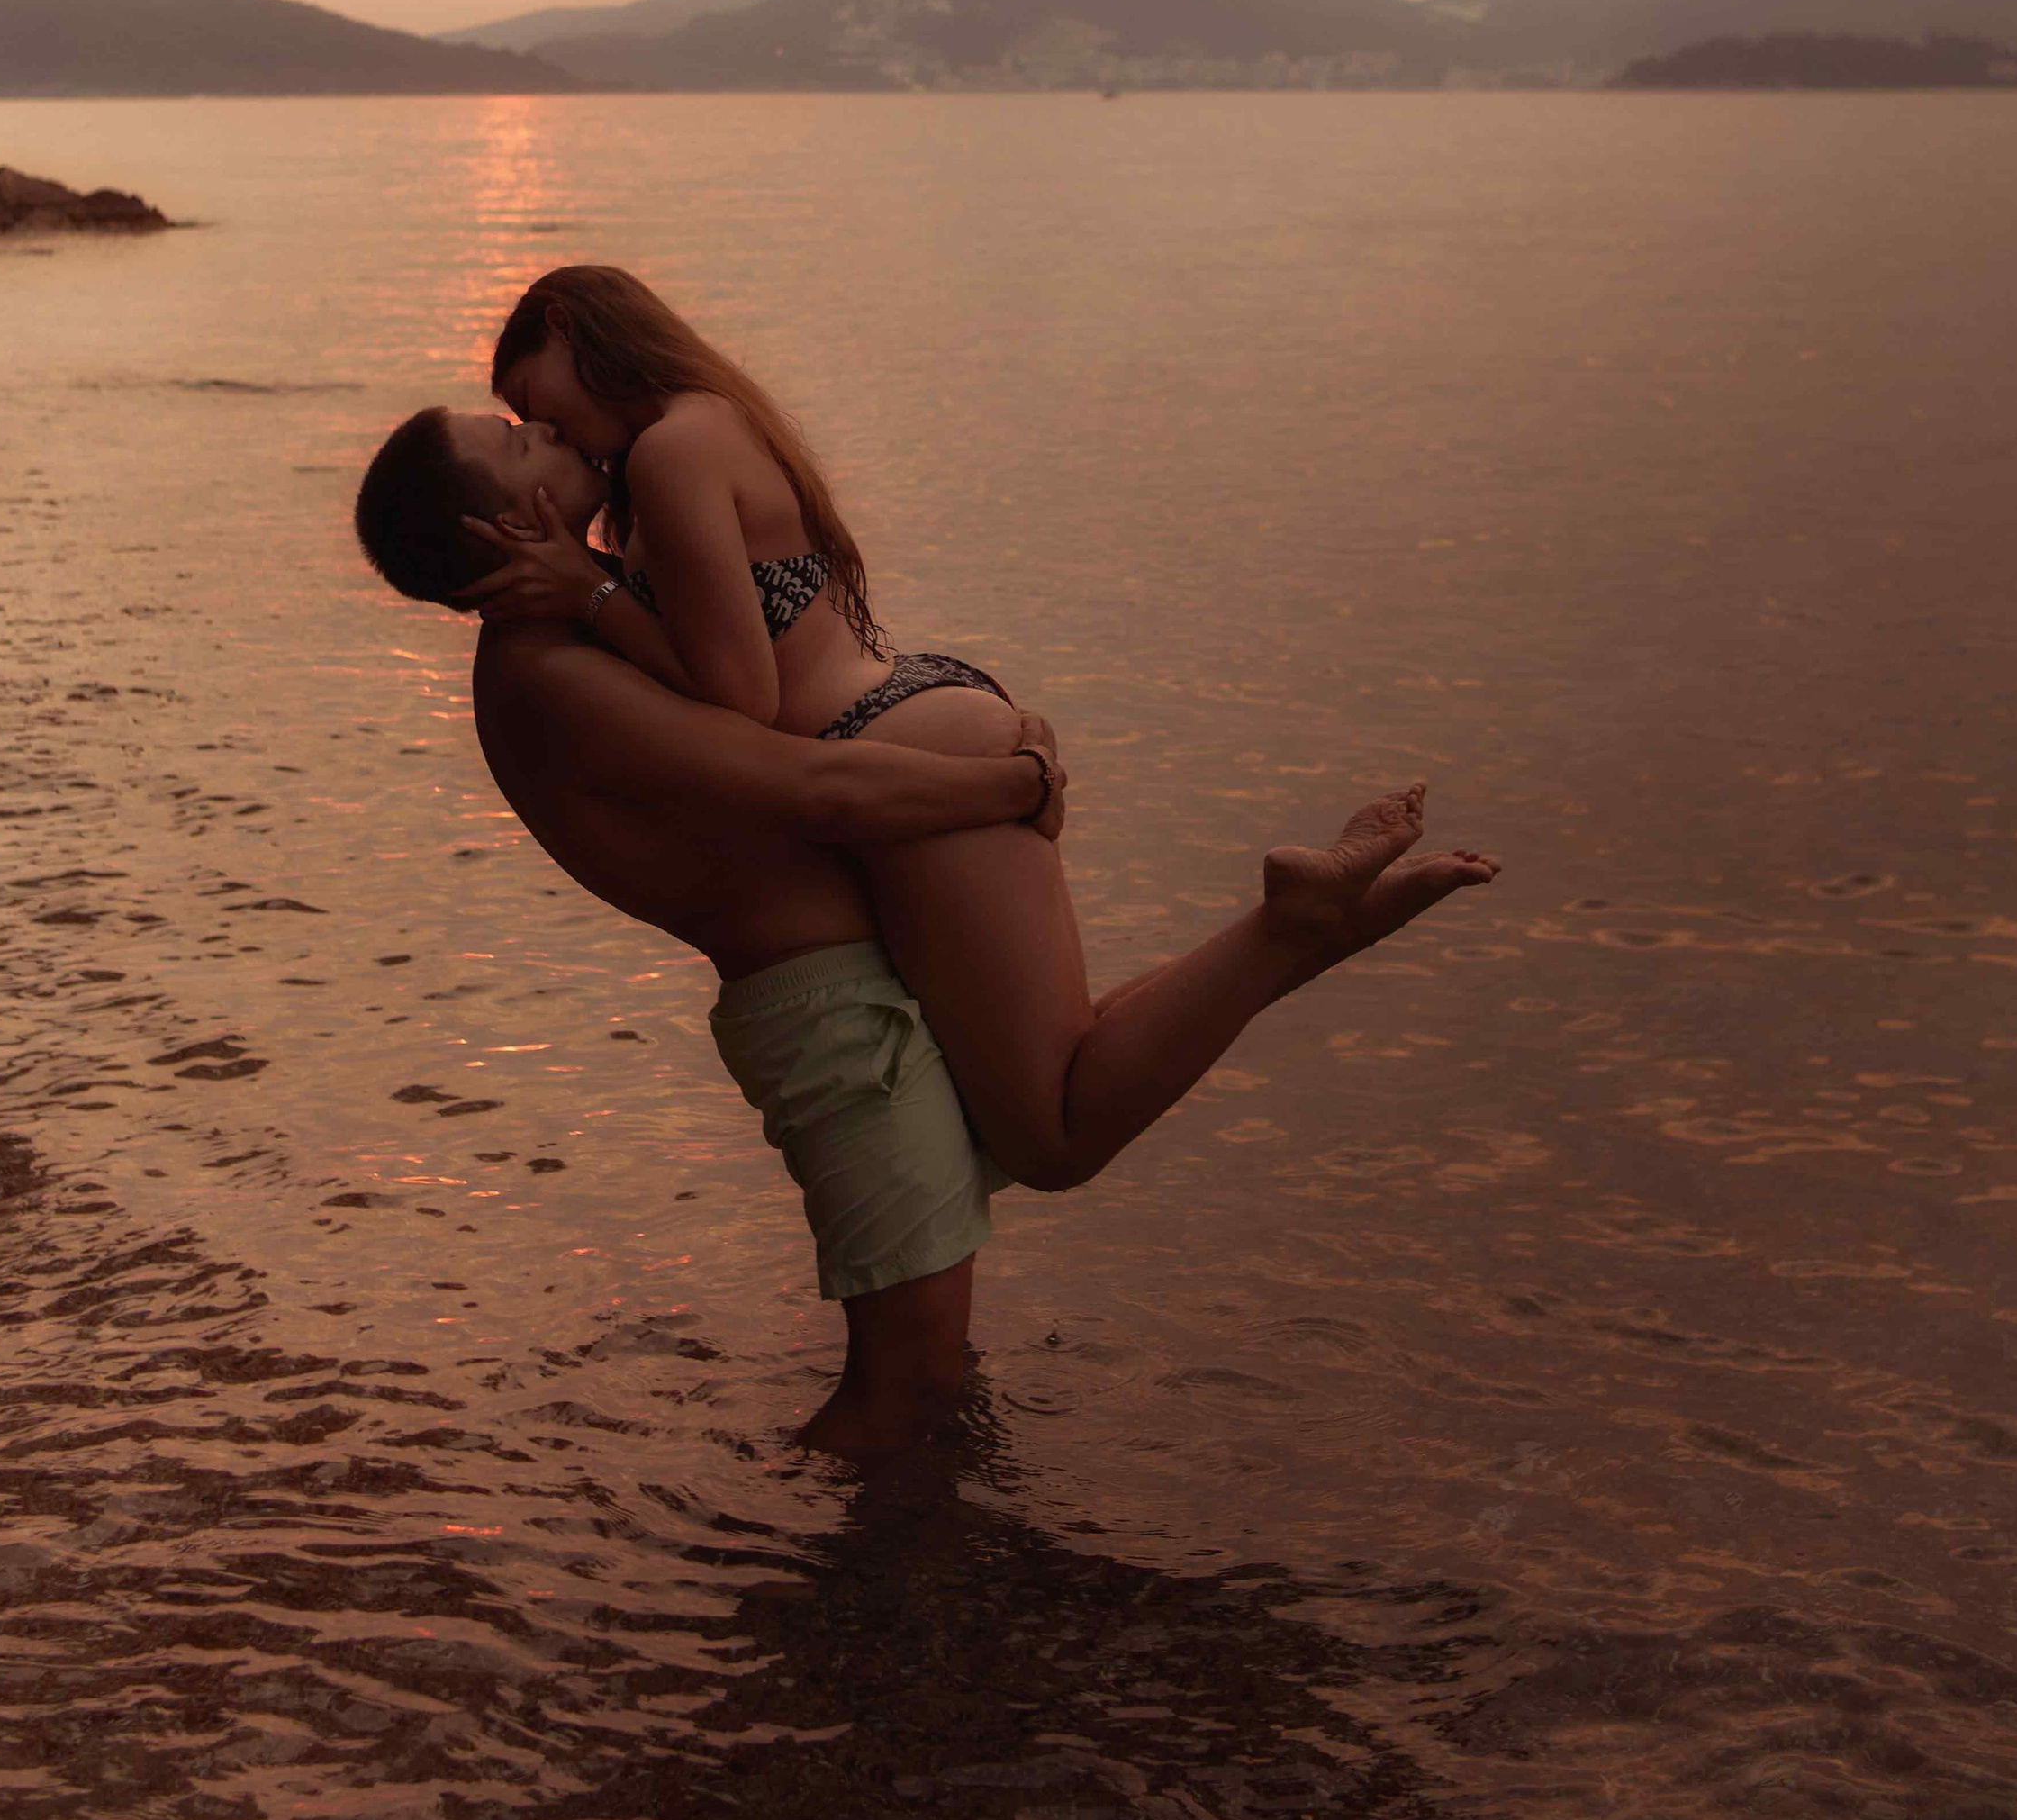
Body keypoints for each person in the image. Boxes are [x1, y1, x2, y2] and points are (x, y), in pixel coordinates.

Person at [455, 264, 1496, 1196]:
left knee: (1052, 1139)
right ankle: (1316, 922)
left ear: (572, 332)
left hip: (894, 745)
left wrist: (590, 594)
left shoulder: (668, 455)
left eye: (528, 400)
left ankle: (1292, 925)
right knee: (1059, 1065)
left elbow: (742, 697)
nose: (540, 429)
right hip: (919, 713)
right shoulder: (714, 417)